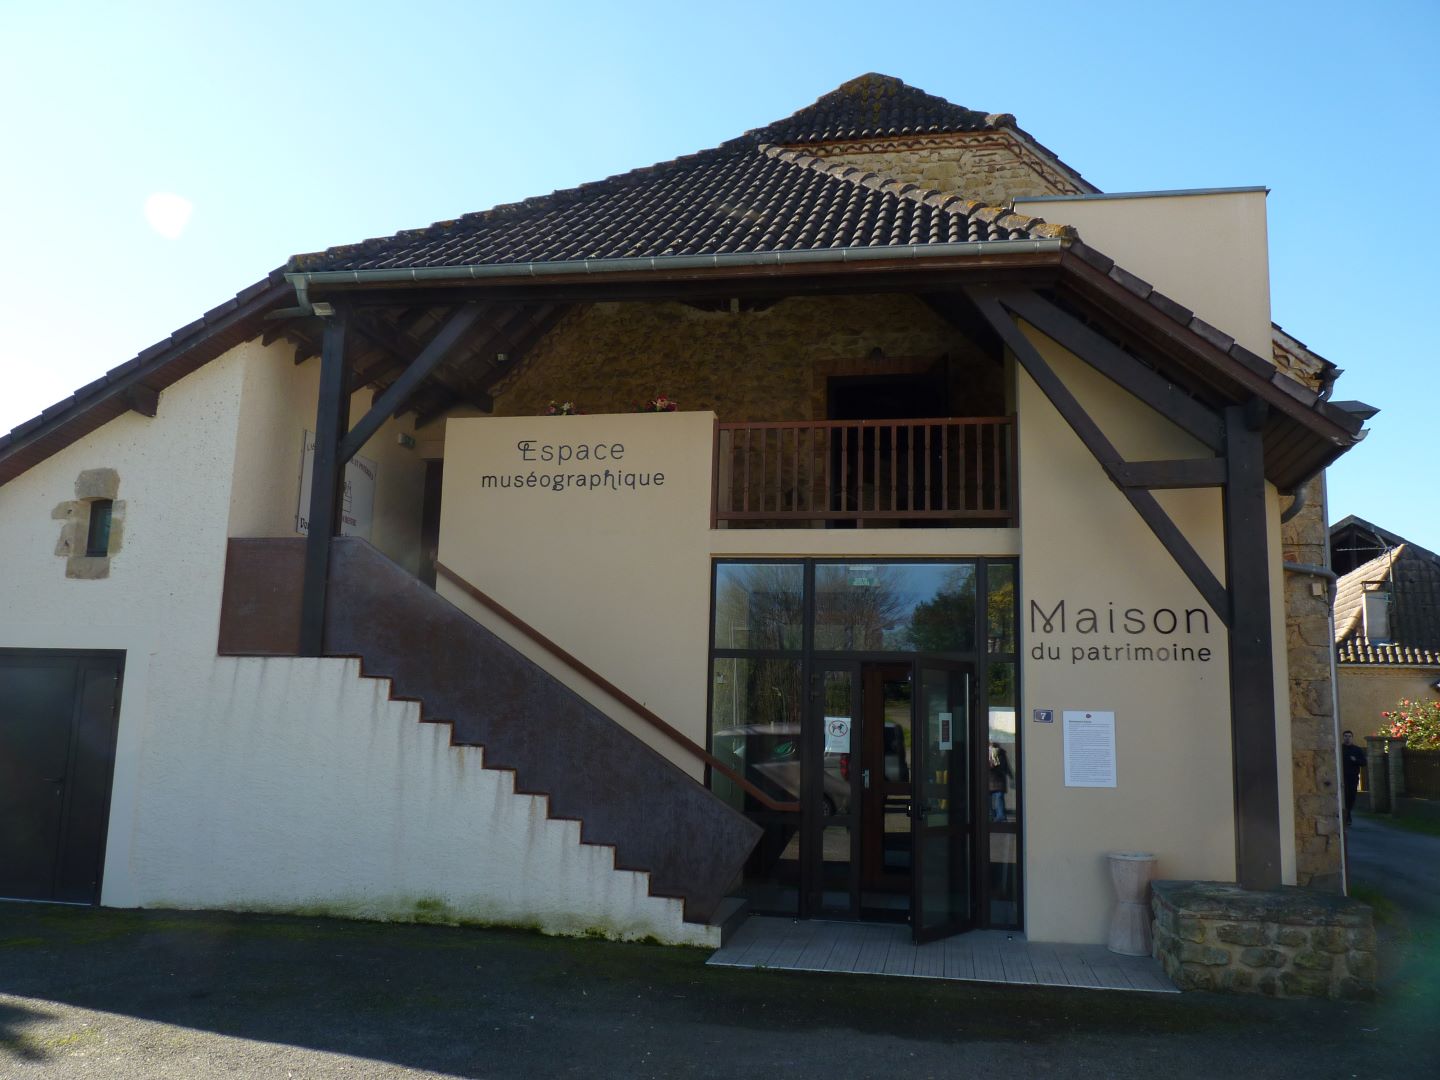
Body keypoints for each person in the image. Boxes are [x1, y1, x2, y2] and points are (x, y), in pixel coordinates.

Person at [1341, 730, 1366, 827]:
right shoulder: (1341, 749)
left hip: (1353, 777)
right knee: (1344, 796)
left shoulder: (1357, 750)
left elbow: (1364, 763)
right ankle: (1346, 816)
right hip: (1343, 778)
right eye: (1345, 736)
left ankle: (1348, 813)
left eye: (1349, 736)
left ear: (1352, 738)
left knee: (1351, 797)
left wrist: (1355, 760)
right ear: (1343, 737)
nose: (1347, 738)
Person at [988, 742, 1014, 822]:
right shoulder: (1001, 752)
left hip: (994, 780)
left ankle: (998, 816)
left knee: (994, 799)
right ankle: (998, 815)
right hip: (997, 780)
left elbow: (993, 765)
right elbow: (1006, 766)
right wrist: (1011, 775)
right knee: (998, 799)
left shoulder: (995, 751)